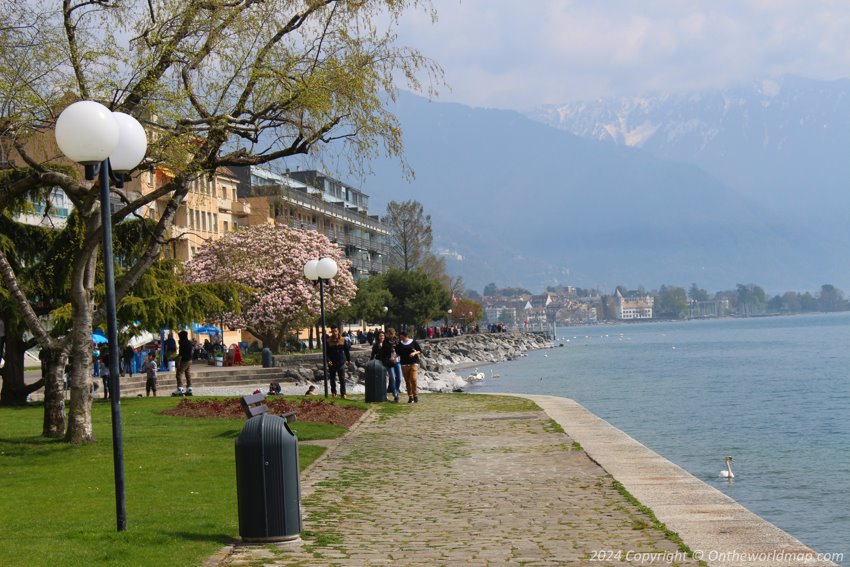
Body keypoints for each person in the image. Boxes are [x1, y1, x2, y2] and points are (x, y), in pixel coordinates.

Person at [396, 329, 423, 403]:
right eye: (400, 337)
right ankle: (410, 396)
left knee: (413, 379)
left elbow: (420, 351)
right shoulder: (400, 344)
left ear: (406, 336)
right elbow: (398, 353)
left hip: (413, 363)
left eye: (402, 337)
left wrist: (414, 353)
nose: (401, 339)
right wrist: (394, 357)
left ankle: (415, 395)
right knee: (407, 381)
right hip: (404, 364)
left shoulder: (413, 342)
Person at [325, 324, 351, 399]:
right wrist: (328, 360)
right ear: (331, 332)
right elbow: (326, 353)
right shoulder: (328, 341)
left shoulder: (342, 339)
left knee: (342, 379)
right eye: (333, 331)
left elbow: (346, 351)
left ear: (338, 331)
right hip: (332, 363)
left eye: (335, 331)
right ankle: (334, 392)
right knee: (332, 379)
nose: (334, 333)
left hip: (341, 362)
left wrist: (348, 359)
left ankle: (343, 394)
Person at [383, 328, 403, 402]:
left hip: (397, 362)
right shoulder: (386, 342)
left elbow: (401, 350)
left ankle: (396, 391)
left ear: (394, 333)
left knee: (399, 378)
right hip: (389, 363)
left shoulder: (398, 341)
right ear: (387, 334)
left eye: (392, 334)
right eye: (389, 334)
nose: (391, 335)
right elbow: (384, 352)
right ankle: (395, 395)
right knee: (393, 378)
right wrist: (388, 358)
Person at [172, 330, 194, 396]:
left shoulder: (182, 343)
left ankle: (180, 388)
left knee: (179, 374)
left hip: (184, 360)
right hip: (190, 360)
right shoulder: (189, 342)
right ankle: (189, 388)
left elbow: (181, 354)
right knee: (188, 374)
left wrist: (178, 362)